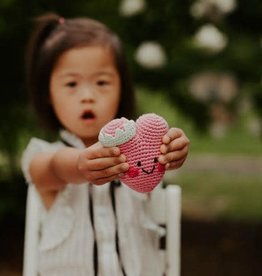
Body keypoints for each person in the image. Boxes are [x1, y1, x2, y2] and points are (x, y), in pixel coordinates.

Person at [21, 12, 190, 276]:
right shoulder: (44, 156)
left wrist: (172, 148)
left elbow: (161, 158)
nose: (88, 96)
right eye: (71, 84)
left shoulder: (140, 149)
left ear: (121, 88)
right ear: (47, 95)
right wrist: (79, 165)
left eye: (101, 82)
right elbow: (53, 169)